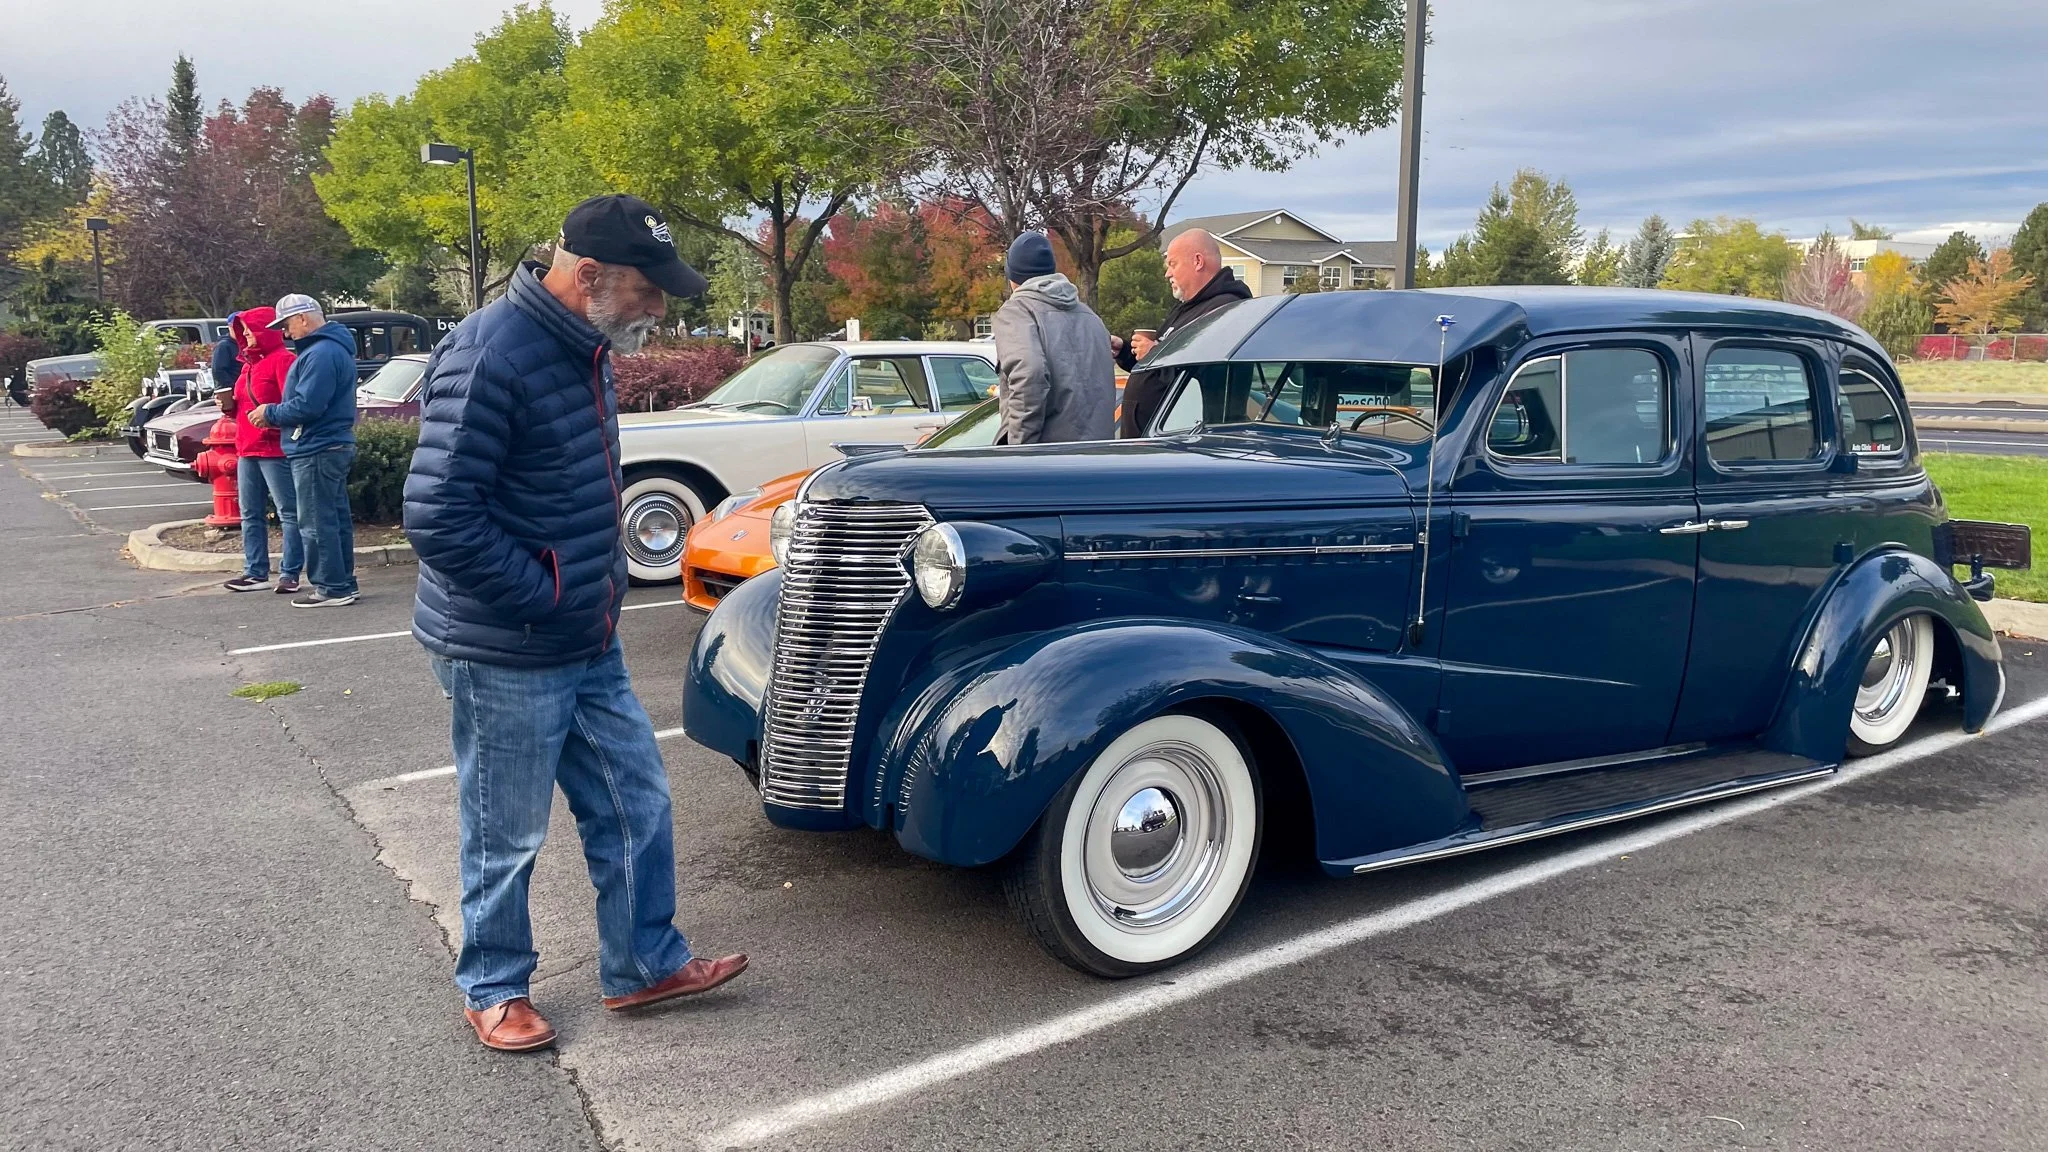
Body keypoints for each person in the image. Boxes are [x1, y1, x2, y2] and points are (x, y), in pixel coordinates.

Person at [403, 194, 744, 1054]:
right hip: (509, 643)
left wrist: (587, 599)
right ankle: (494, 987)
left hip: (582, 635)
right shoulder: (491, 352)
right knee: (506, 829)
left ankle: (643, 963)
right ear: (587, 275)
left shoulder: (583, 344)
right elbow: (439, 515)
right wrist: (548, 596)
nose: (658, 309)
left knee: (636, 800)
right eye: (646, 290)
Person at [249, 294, 360, 607]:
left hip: (316, 445)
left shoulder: (319, 353)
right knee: (334, 519)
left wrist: (269, 412)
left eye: (286, 324)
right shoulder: (332, 349)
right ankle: (342, 583)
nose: (286, 333)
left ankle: (331, 587)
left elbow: (308, 405)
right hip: (330, 443)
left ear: (303, 318)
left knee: (315, 522)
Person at [1114, 228, 1253, 438]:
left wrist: (1157, 355)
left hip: (1182, 443)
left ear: (1197, 261)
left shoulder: (1226, 310)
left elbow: (1207, 376)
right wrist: (1125, 351)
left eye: (1173, 264)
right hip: (1152, 442)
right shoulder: (1188, 308)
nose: (1167, 273)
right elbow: (1155, 367)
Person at [989, 231, 1116, 444]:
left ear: (1012, 276)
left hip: (1047, 456)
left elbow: (1029, 375)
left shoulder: (1016, 312)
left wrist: (1018, 451)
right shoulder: (1090, 317)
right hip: (1097, 454)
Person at [219, 306, 303, 595]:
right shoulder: (248, 365)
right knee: (250, 513)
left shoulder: (284, 360)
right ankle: (255, 572)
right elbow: (244, 408)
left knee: (288, 512)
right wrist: (228, 408)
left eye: (249, 329)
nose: (245, 336)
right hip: (247, 448)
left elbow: (294, 405)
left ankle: (290, 573)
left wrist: (271, 420)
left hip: (274, 449)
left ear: (265, 330)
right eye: (242, 331)